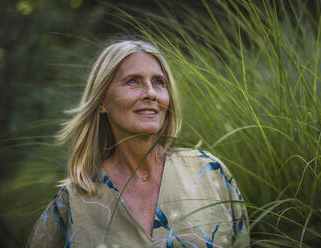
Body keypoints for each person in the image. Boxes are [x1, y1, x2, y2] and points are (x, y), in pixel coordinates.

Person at [27, 40, 249, 247]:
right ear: (102, 101)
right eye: (133, 81)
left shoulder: (209, 173)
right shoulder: (73, 203)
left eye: (159, 82)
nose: (151, 93)